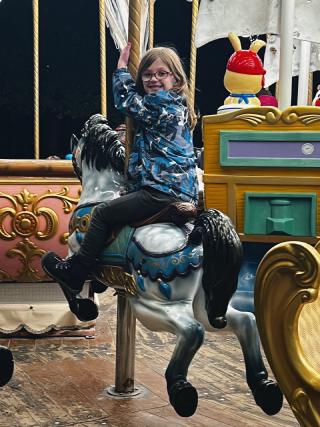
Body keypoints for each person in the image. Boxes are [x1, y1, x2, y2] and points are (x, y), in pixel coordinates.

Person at [41, 42, 199, 294]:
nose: (153, 79)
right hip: (179, 190)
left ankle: (77, 271)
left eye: (161, 73)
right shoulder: (177, 105)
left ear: (176, 78)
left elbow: (125, 100)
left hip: (161, 190)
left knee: (103, 213)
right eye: (147, 74)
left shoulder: (162, 103)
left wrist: (121, 70)